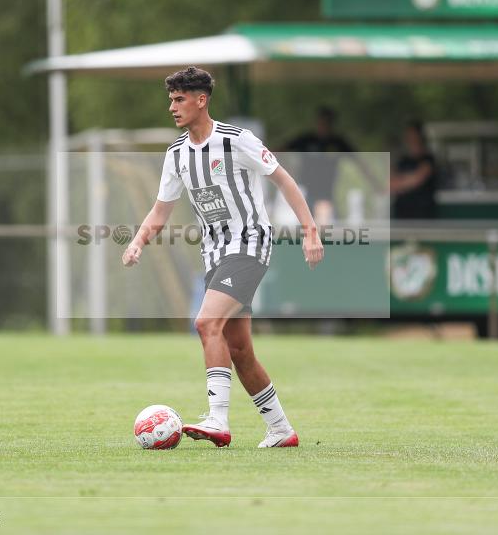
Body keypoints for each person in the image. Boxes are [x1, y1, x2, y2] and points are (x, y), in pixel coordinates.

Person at [122, 67, 324, 448]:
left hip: (249, 244)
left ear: (202, 100)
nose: (172, 107)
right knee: (240, 350)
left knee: (205, 322)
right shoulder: (177, 154)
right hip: (215, 253)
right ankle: (281, 429)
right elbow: (160, 210)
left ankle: (218, 419)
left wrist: (310, 230)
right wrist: (137, 241)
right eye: (170, 99)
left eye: (179, 99)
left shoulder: (237, 140)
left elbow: (284, 179)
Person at [285, 106, 357, 223]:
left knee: (328, 227)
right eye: (322, 122)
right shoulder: (306, 140)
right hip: (306, 191)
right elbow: (279, 151)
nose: (323, 125)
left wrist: (376, 184)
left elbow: (359, 162)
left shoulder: (337, 143)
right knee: (304, 227)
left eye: (327, 122)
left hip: (327, 193)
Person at [390, 120, 437, 219]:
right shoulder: (402, 161)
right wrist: (406, 180)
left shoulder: (428, 159)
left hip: (423, 216)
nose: (411, 139)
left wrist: (402, 180)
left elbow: (417, 179)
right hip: (401, 215)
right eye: (408, 136)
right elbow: (391, 184)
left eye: (413, 135)